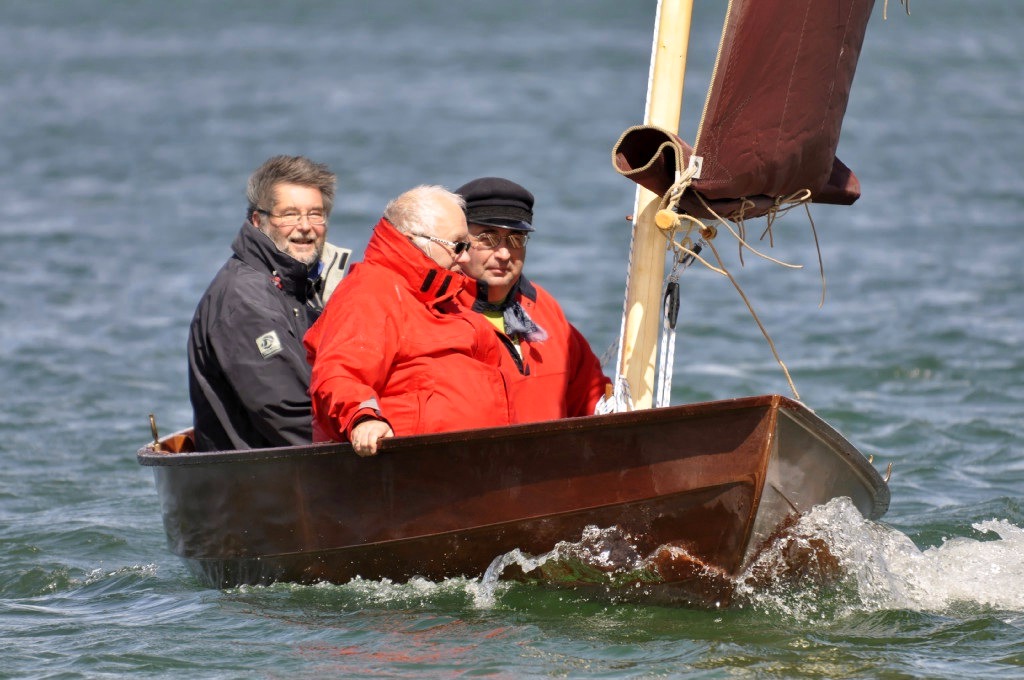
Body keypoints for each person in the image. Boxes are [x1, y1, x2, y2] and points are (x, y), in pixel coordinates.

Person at [304, 185, 515, 456]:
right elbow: (340, 373)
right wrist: (364, 418)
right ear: (414, 240)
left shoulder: (445, 296)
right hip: (411, 472)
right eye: (458, 246)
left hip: (474, 467)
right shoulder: (370, 291)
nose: (465, 257)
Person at [187, 155, 351, 452]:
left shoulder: (299, 286)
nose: (305, 227)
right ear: (257, 221)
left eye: (316, 214)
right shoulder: (245, 299)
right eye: (289, 214)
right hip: (256, 480)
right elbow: (285, 410)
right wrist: (369, 444)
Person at [455, 177, 610, 422]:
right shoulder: (433, 311)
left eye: (516, 239)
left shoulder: (544, 309)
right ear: (459, 242)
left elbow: (591, 396)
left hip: (549, 459)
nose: (504, 253)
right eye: (488, 238)